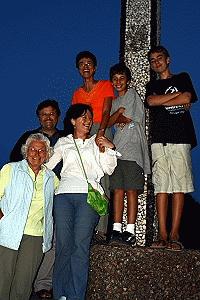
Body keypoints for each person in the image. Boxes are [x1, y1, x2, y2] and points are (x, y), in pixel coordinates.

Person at [46, 103, 118, 300]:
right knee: (63, 246)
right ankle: (60, 294)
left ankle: (76, 296)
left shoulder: (96, 141)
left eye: (89, 117)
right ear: (72, 121)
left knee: (80, 246)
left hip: (89, 195)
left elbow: (108, 169)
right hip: (64, 195)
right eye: (83, 117)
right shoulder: (63, 142)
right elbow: (48, 166)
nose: (87, 121)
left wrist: (108, 149)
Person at [145, 45, 197, 251]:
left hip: (181, 138)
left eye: (160, 58)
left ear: (168, 59)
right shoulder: (152, 85)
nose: (156, 61)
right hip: (159, 139)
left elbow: (188, 97)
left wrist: (163, 101)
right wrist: (173, 99)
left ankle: (175, 234)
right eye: (152, 59)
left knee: (179, 187)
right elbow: (151, 101)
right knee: (161, 187)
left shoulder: (182, 77)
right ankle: (162, 233)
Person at [10, 99, 63, 299]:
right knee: (27, 238)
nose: (48, 117)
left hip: (56, 194)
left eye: (51, 114)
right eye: (43, 114)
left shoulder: (65, 137)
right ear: (38, 117)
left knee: (52, 238)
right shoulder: (28, 137)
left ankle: (43, 284)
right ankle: (20, 280)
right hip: (30, 196)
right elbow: (14, 159)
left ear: (57, 116)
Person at [0, 133, 59, 300]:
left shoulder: (51, 177)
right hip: (7, 234)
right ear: (26, 151)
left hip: (35, 236)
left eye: (42, 150)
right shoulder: (11, 169)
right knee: (2, 280)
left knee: (23, 284)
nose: (37, 153)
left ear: (47, 154)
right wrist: (3, 219)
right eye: (33, 149)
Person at [72, 51, 115, 241]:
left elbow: (106, 111)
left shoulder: (105, 85)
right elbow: (76, 117)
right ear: (78, 69)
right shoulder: (77, 93)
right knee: (87, 176)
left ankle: (102, 229)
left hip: (100, 129)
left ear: (95, 67)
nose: (85, 66)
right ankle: (87, 225)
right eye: (81, 64)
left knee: (102, 178)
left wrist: (101, 132)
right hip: (85, 132)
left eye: (89, 63)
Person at [108, 63, 150, 245]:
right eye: (115, 79)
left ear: (128, 80)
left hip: (132, 150)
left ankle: (130, 230)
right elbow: (108, 121)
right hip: (117, 152)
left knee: (132, 191)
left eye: (122, 78)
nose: (118, 82)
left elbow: (128, 118)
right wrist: (117, 113)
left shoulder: (132, 94)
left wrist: (117, 116)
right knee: (117, 190)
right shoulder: (114, 102)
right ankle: (116, 228)